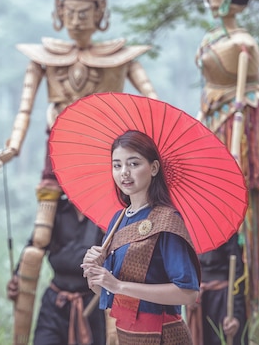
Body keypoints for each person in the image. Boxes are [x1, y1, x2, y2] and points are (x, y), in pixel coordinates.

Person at [0, 0, 157, 342]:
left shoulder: (118, 58)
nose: (79, 19)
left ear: (101, 12)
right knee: (40, 238)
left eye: (87, 11)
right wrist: (13, 146)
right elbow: (25, 110)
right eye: (72, 11)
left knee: (115, 242)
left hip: (107, 166)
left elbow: (153, 101)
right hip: (56, 166)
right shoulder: (44, 59)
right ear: (59, 13)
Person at [196, 0, 259, 316]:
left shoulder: (244, 46)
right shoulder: (215, 38)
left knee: (233, 199)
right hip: (211, 121)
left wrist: (237, 122)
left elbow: (250, 100)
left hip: (235, 125)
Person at [81, 130, 200, 344]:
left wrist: (118, 285)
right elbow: (107, 294)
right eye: (117, 165)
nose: (124, 173)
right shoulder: (118, 219)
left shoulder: (167, 220)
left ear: (154, 168)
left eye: (134, 164)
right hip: (128, 335)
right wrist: (94, 273)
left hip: (164, 335)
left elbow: (187, 293)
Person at [6, 196, 106, 345]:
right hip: (54, 305)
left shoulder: (106, 215)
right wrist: (17, 278)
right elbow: (33, 247)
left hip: (90, 305)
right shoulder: (54, 211)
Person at [186, 233, 247, 345]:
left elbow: (238, 275)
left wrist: (236, 315)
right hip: (200, 302)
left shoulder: (226, 232)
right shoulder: (187, 230)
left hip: (223, 301)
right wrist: (189, 294)